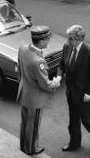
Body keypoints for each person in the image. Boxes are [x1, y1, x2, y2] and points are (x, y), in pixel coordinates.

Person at [57, 25, 90, 152]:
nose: (68, 41)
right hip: (71, 92)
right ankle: (74, 143)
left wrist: (89, 92)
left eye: (70, 39)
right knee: (73, 121)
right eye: (68, 38)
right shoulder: (67, 47)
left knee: (87, 120)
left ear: (79, 39)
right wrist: (59, 77)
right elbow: (61, 65)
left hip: (85, 95)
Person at [16, 25, 61, 156]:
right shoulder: (38, 61)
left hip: (24, 92)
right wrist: (56, 81)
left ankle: (23, 145)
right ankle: (30, 149)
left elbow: (19, 68)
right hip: (35, 99)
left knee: (25, 122)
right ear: (41, 42)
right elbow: (45, 84)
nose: (49, 41)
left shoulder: (23, 48)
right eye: (48, 39)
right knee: (33, 125)